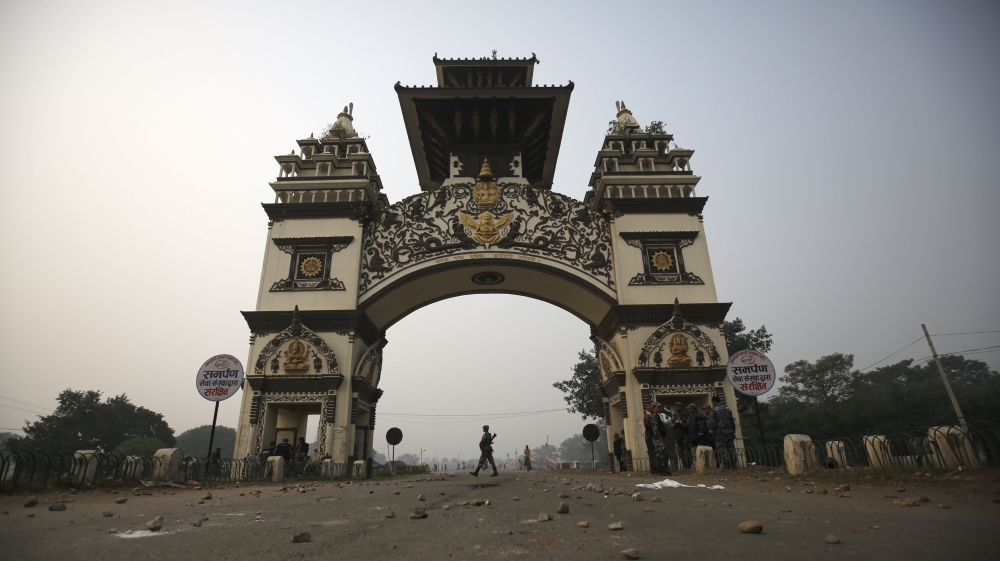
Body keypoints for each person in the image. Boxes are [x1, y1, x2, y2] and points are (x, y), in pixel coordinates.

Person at [709, 396, 737, 469]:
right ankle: (734, 464)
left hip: (720, 433)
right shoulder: (727, 409)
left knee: (722, 449)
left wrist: (712, 432)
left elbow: (712, 422)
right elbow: (732, 421)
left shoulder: (714, 410)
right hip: (729, 432)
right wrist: (733, 431)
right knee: (731, 448)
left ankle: (727, 465)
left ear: (714, 402)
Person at [649, 403, 672, 476]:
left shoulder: (656, 416)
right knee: (663, 453)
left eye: (660, 407)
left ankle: (661, 470)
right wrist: (658, 436)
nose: (660, 408)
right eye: (658, 407)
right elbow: (655, 427)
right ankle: (663, 470)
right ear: (654, 407)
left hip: (659, 437)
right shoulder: (654, 416)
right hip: (658, 438)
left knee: (660, 453)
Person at [671, 403, 691, 469]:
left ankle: (688, 465)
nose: (677, 408)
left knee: (687, 451)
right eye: (676, 407)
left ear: (681, 407)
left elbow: (688, 425)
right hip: (678, 436)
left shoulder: (686, 415)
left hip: (685, 435)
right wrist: (675, 424)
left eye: (678, 407)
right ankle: (684, 464)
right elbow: (671, 425)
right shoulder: (674, 416)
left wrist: (681, 424)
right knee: (680, 451)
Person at [642, 404, 658, 475]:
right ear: (649, 409)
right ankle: (653, 469)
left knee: (652, 453)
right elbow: (648, 426)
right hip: (649, 437)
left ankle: (654, 469)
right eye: (652, 408)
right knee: (652, 453)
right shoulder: (648, 416)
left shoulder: (648, 416)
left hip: (648, 437)